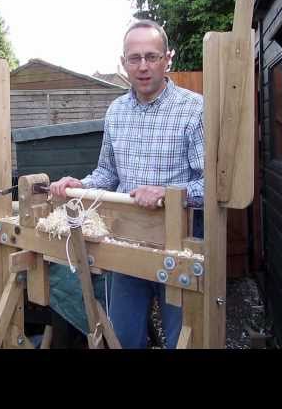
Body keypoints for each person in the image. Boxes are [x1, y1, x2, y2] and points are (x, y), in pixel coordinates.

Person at [50, 19, 204, 349]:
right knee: (123, 337)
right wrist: (79, 184)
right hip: (124, 241)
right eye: (135, 58)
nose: (143, 66)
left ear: (168, 59)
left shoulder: (194, 109)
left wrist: (167, 194)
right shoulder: (116, 111)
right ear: (123, 63)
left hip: (178, 243)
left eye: (152, 56)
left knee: (184, 337)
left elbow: (211, 187)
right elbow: (108, 173)